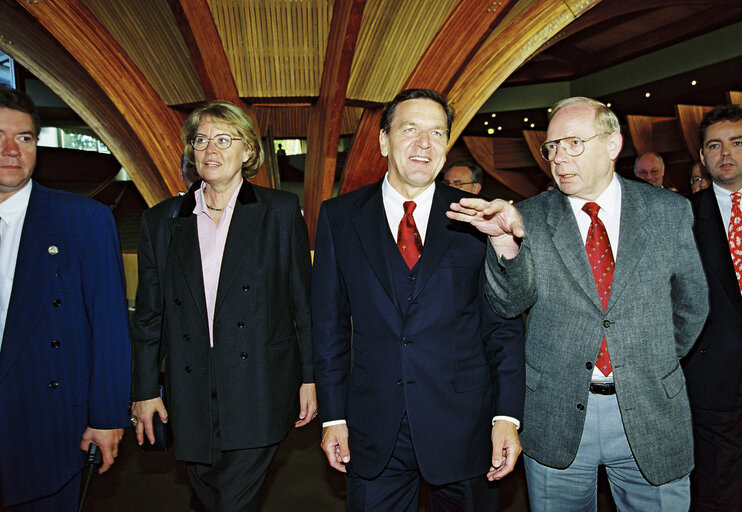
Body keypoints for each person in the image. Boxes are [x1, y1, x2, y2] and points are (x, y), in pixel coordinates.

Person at [448, 96, 708, 511]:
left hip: (650, 408)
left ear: (612, 144)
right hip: (555, 413)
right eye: (551, 147)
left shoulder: (668, 212)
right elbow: (508, 304)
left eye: (572, 143)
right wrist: (502, 244)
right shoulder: (528, 217)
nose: (558, 158)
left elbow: (691, 304)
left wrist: (647, 362)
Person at [312, 88, 525, 512]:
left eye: (436, 133)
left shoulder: (478, 218)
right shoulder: (339, 217)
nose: (423, 144)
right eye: (410, 130)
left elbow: (503, 326)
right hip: (373, 430)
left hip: (465, 425)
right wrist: (333, 416)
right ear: (383, 141)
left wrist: (507, 417)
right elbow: (329, 326)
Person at [131, 100, 316, 511]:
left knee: (233, 499)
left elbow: (303, 302)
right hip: (190, 389)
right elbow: (149, 316)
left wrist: (310, 377)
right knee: (208, 494)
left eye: (223, 139)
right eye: (200, 141)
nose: (210, 150)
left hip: (260, 385)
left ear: (248, 150)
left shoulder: (279, 212)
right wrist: (144, 389)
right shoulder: (162, 221)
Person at [0, 86, 131, 510]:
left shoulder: (83, 221)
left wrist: (108, 417)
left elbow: (109, 327)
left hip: (47, 423)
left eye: (24, 138)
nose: (12, 150)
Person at [683, 104, 742, 512]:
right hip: (709, 371)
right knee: (716, 484)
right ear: (702, 156)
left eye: (737, 142)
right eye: (714, 145)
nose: (726, 153)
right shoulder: (682, 218)